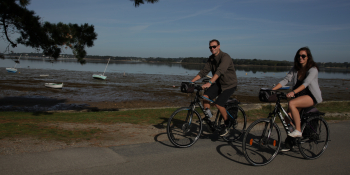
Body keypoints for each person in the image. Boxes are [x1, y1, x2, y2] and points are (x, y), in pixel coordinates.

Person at [272, 47, 322, 150]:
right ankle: (291, 141)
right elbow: (285, 80)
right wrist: (272, 89)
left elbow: (306, 83)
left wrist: (293, 92)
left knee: (292, 104)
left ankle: (298, 131)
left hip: (310, 96)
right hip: (299, 96)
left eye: (303, 56)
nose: (301, 58)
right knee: (287, 118)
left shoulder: (313, 69)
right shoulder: (295, 69)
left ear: (308, 57)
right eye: (299, 56)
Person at [191, 39, 238, 136]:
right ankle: (209, 119)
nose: (212, 49)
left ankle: (227, 123)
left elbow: (220, 71)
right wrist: (191, 81)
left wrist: (210, 82)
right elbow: (204, 72)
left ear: (219, 46)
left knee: (219, 104)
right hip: (219, 83)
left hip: (229, 84)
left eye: (214, 46)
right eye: (210, 47)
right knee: (205, 97)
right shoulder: (211, 59)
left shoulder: (225, 57)